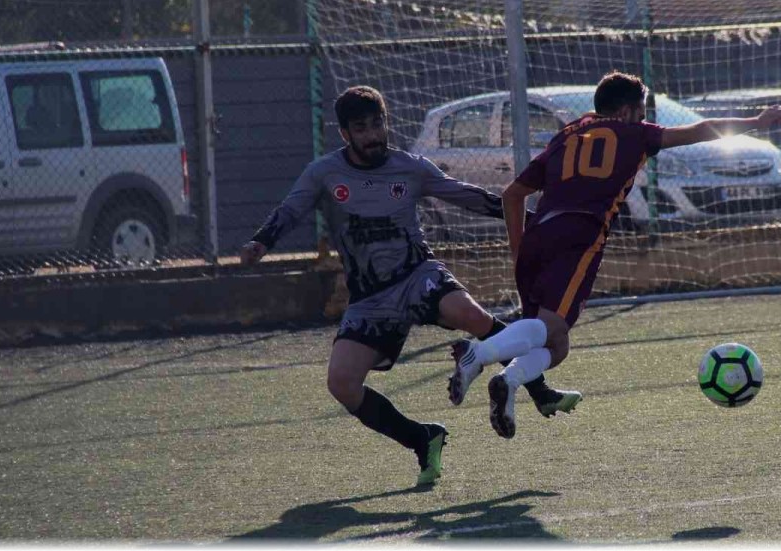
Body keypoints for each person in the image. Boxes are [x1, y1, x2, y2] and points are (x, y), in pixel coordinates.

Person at [240, 85, 580, 486]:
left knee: (470, 314)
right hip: (370, 299)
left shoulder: (410, 168)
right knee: (342, 384)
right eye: (361, 128)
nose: (373, 135)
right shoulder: (323, 173)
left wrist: (533, 218)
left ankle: (539, 391)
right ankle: (422, 438)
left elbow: (467, 196)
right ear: (345, 134)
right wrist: (261, 242)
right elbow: (290, 209)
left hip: (417, 274)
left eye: (378, 124)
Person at [447, 70, 781, 438]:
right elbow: (701, 130)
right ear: (625, 112)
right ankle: (478, 354)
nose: (642, 120)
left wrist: (518, 250)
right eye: (640, 113)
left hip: (536, 235)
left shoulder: (566, 135)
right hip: (580, 234)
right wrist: (756, 122)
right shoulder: (633, 133)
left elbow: (512, 195)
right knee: (552, 326)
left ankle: (508, 382)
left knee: (557, 344)